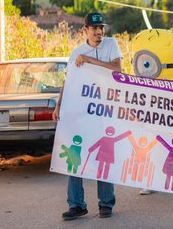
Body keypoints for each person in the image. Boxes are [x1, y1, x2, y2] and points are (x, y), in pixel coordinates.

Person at [53, 12, 122, 220]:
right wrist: (59, 105)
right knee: (76, 156)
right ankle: (76, 205)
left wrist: (89, 60)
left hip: (105, 111)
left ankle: (106, 203)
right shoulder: (76, 53)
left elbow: (117, 69)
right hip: (82, 111)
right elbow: (69, 81)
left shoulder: (111, 45)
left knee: (104, 156)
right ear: (85, 30)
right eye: (94, 28)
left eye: (101, 28)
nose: (99, 32)